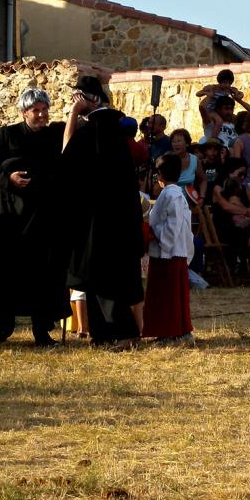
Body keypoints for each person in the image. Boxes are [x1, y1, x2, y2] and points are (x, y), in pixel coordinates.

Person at [0, 88, 69, 345]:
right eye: (36, 111)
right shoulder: (8, 134)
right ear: (24, 112)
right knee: (6, 274)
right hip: (11, 217)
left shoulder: (54, 135)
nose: (41, 115)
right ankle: (1, 329)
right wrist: (8, 178)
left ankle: (42, 331)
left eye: (44, 110)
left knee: (42, 276)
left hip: (43, 217)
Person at [61, 76, 145, 349]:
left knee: (100, 273)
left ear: (89, 98)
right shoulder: (114, 127)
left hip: (99, 216)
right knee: (98, 274)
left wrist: (73, 113)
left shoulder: (95, 128)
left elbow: (67, 153)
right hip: (117, 213)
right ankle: (103, 334)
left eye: (78, 98)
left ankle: (124, 332)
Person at [141, 154, 194, 344]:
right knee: (173, 295)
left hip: (168, 253)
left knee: (167, 296)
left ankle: (170, 331)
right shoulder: (174, 193)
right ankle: (179, 329)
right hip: (170, 252)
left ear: (160, 175)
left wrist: (157, 235)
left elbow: (174, 224)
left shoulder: (171, 194)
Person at [167, 128, 206, 207]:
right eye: (173, 141)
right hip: (170, 203)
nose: (176, 144)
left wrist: (202, 197)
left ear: (187, 143)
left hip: (189, 205)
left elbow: (203, 180)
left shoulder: (195, 160)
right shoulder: (166, 160)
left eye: (179, 141)